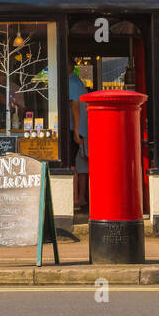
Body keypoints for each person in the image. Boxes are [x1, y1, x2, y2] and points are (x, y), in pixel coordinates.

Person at [69, 65, 90, 213]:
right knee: (81, 166)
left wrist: (76, 132)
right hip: (83, 129)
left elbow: (75, 106)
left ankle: (75, 199)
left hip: (76, 130)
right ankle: (81, 198)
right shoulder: (77, 82)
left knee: (72, 165)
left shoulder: (72, 82)